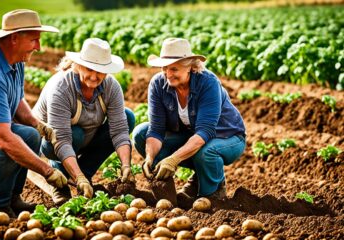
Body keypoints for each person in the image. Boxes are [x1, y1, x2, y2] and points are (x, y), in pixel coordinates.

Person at [133, 38, 246, 207]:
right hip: (191, 136)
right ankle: (167, 193)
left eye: (174, 69)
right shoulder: (158, 84)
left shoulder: (208, 83)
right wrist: (150, 157)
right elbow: (156, 130)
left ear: (191, 67)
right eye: (164, 68)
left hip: (227, 137)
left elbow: (205, 132)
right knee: (142, 133)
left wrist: (173, 159)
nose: (168, 74)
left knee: (206, 152)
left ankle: (213, 194)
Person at [0, 9, 68, 218]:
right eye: (34, 40)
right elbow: (3, 138)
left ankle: (12, 197)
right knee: (8, 144)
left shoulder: (15, 58)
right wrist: (48, 172)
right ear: (14, 38)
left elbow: (18, 99)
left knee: (30, 134)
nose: (39, 47)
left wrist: (37, 124)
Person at [32, 38, 135, 205]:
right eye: (89, 69)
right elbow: (62, 139)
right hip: (52, 142)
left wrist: (126, 166)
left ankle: (84, 175)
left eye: (100, 71)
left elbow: (119, 130)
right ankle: (61, 178)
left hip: (87, 136)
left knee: (127, 117)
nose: (94, 77)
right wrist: (77, 177)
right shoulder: (62, 88)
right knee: (76, 134)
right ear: (76, 65)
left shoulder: (111, 87)